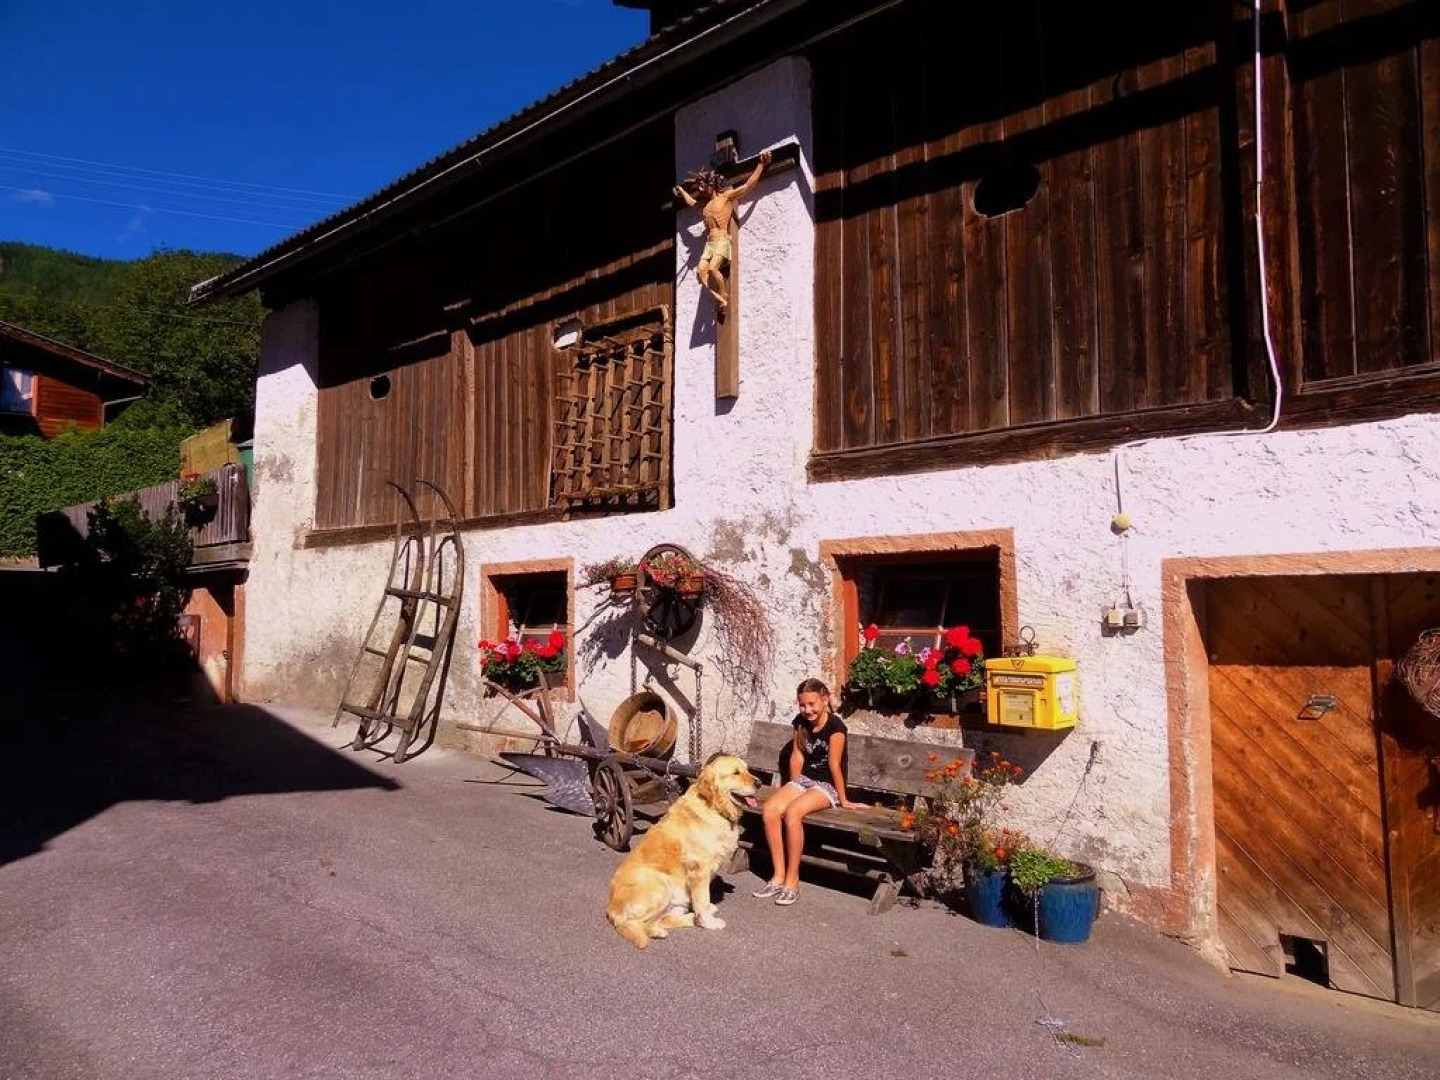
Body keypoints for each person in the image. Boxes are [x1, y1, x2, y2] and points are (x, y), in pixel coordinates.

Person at [752, 677, 864, 906]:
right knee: (771, 809)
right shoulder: (800, 723)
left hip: (826, 786)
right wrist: (792, 786)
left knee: (793, 813)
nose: (807, 710)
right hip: (804, 781)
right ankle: (778, 876)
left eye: (812, 704)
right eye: (803, 705)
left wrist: (844, 800)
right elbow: (798, 756)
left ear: (824, 700)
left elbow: (835, 764)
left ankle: (793, 880)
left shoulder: (836, 728)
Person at [672, 148, 771, 317]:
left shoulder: (725, 197)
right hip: (710, 244)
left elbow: (748, 185)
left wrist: (761, 165)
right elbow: (692, 204)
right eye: (700, 187)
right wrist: (682, 192)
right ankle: (718, 296)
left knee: (712, 268)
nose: (702, 189)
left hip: (722, 240)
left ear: (712, 184)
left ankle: (723, 294)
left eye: (704, 186)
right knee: (701, 271)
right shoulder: (705, 208)